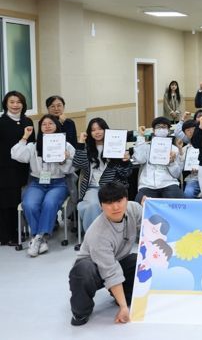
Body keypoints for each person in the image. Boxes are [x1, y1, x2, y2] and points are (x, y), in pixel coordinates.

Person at [68, 182, 141, 326]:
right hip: (93, 268)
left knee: (138, 261)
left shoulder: (134, 209)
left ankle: (122, 295)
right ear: (101, 206)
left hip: (118, 260)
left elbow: (152, 224)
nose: (115, 207)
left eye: (119, 201)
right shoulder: (98, 233)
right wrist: (124, 308)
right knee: (83, 271)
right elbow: (110, 271)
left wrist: (150, 205)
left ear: (126, 199)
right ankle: (81, 312)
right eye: (109, 203)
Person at [12, 114, 75, 257]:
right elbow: (16, 155)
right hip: (37, 182)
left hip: (58, 183)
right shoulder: (33, 146)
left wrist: (63, 160)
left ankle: (38, 238)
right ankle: (40, 237)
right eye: (44, 124)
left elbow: (72, 169)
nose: (47, 126)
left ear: (56, 126)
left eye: (50, 123)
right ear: (40, 128)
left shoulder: (66, 146)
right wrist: (25, 137)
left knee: (49, 202)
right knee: (29, 204)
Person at [74, 117, 132, 232]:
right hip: (92, 187)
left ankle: (110, 234)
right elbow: (77, 163)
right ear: (89, 133)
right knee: (93, 206)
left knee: (110, 206)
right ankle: (94, 236)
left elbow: (125, 173)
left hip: (111, 187)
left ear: (106, 130)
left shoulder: (116, 146)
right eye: (93, 130)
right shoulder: (87, 148)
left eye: (100, 129)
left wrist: (125, 162)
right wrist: (80, 142)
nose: (97, 132)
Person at [0, 91, 34, 246]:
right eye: (12, 102)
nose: (15, 105)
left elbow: (32, 145)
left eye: (19, 102)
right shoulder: (1, 122)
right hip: (5, 168)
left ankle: (19, 231)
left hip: (24, 168)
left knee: (20, 200)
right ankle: (7, 235)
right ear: (6, 104)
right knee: (7, 202)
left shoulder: (28, 121)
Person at [131, 117, 183, 203]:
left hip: (169, 184)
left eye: (164, 127)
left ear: (168, 131)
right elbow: (140, 159)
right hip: (148, 185)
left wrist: (172, 162)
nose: (161, 129)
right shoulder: (146, 147)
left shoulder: (174, 149)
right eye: (158, 127)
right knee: (140, 203)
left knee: (178, 202)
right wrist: (140, 137)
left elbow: (177, 174)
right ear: (153, 130)